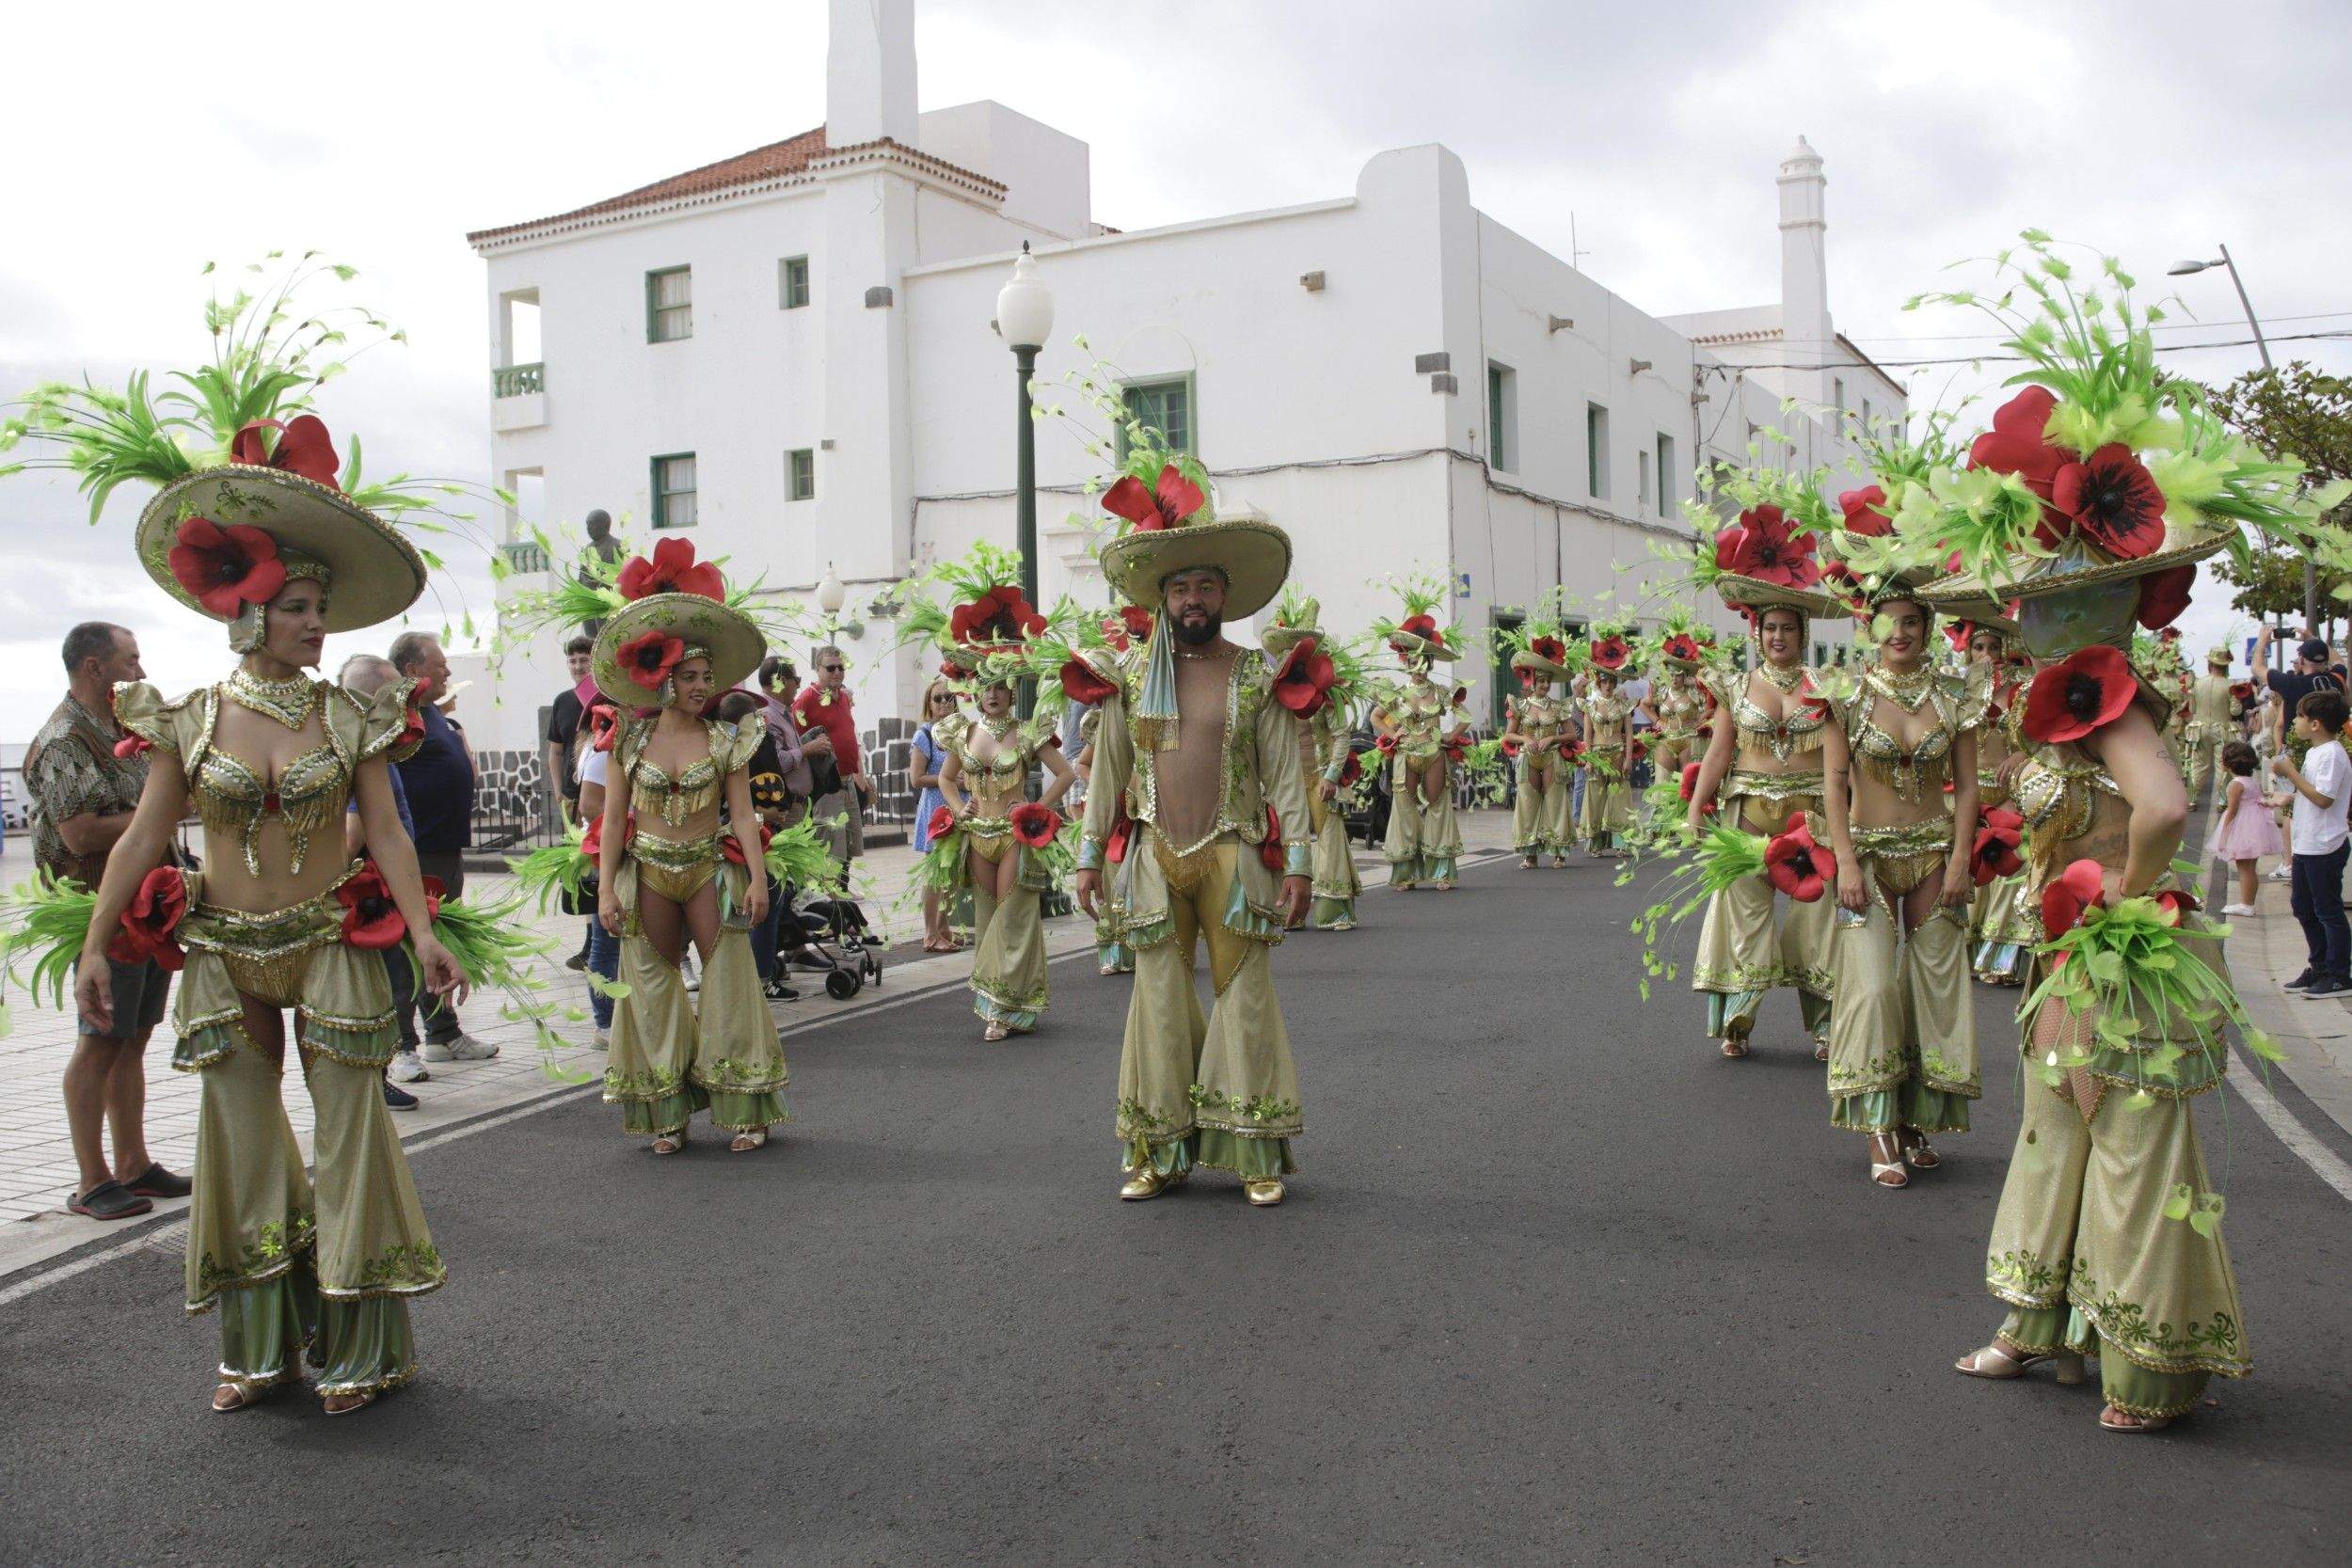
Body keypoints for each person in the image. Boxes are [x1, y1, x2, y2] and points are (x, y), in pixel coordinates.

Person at [72, 415, 464, 1414]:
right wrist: (90, 944)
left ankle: (359, 1348)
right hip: (224, 950)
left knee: (349, 1136)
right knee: (243, 1142)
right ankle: (259, 1348)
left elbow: (387, 829)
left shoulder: (350, 712)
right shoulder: (191, 718)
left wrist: (425, 932)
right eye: (298, 606)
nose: (316, 624)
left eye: (322, 608)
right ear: (247, 612)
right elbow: (138, 838)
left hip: (329, 939)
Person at [1076, 458, 1312, 1206]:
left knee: (1245, 998)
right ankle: (1160, 1152)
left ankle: (1253, 1152)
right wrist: (1088, 859)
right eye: (1179, 588)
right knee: (1157, 1001)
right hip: (1153, 855)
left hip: (1233, 854)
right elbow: (1108, 770)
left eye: (1206, 586)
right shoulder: (1129, 673)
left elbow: (1282, 774)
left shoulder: (1254, 677)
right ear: (1161, 597)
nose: (1193, 598)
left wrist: (1300, 864)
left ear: (1225, 595)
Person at [592, 551, 787, 1153]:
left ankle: (743, 1107)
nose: (702, 688)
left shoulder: (728, 739)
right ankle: (665, 1112)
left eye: (708, 678)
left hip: (706, 868)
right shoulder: (630, 737)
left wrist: (756, 880)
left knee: (729, 979)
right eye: (690, 678)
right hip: (648, 870)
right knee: (653, 985)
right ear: (664, 679)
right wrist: (604, 888)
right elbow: (612, 820)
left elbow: (744, 815)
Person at [1820, 585, 1983, 1188]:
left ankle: (1916, 1117)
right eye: (1888, 623)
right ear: (1871, 630)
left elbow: (1966, 786)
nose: (1899, 634)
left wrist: (1962, 859)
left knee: (1933, 989)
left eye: (1911, 622)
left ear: (1928, 626)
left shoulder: (1954, 697)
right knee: (1870, 989)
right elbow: (1834, 785)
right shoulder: (1849, 698)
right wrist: (1844, 860)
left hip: (1934, 854)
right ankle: (1877, 1124)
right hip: (1867, 856)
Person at [27, 623, 189, 1219]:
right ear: (95, 668)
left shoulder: (124, 730)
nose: (140, 673)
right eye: (131, 660)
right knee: (99, 1042)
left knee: (133, 1039)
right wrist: (160, 813)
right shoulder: (66, 737)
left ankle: (133, 1165)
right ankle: (92, 1180)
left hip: (146, 907)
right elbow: (78, 831)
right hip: (102, 911)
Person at [1683, 515, 1839, 1063]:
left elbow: (1840, 762)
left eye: (1788, 629)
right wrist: (1699, 805)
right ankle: (1738, 1017)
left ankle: (1823, 1025)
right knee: (1744, 916)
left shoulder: (1826, 689)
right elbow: (1720, 752)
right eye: (1769, 629)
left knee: (1815, 923)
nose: (1778, 637)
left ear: (1803, 634)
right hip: (1748, 812)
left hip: (1811, 817)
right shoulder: (1736, 684)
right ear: (1757, 633)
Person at [937, 668, 1076, 1041]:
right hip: (978, 835)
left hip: (1015, 835)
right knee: (988, 917)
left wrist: (1036, 807)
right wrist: (957, 807)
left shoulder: (1029, 732)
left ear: (1012, 693)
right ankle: (997, 1003)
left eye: (1000, 687)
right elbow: (945, 779)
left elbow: (1066, 774)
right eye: (986, 688)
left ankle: (1004, 1008)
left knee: (1012, 916)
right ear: (976, 694)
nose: (993, 694)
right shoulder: (963, 732)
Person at [386, 632, 494, 1069]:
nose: (448, 672)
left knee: (441, 944)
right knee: (410, 950)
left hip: (445, 851)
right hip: (417, 853)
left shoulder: (433, 714)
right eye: (439, 665)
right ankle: (403, 1047)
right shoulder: (397, 717)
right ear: (413, 670)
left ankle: (443, 1034)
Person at [340, 654, 426, 1107]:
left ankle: (380, 1070)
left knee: (393, 981)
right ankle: (377, 1072)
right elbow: (355, 833)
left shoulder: (376, 748)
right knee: (383, 985)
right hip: (369, 895)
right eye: (394, 693)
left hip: (387, 887)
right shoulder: (355, 749)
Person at [1371, 592, 1465, 892]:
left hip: (1435, 753)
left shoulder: (1439, 691)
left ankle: (1440, 871)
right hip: (1406, 754)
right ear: (1405, 659)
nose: (1418, 664)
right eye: (1413, 658)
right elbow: (1376, 717)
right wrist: (1392, 734)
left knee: (1437, 806)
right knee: (1406, 808)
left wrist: (1450, 736)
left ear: (1429, 661)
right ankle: (1406, 872)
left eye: (1423, 659)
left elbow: (1464, 714)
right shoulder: (1398, 693)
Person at [2272, 689, 2351, 998]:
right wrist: (2288, 796)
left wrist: (2291, 772)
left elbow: (2323, 799)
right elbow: (2312, 794)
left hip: (2324, 846)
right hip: (2307, 844)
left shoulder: (2332, 753)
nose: (2296, 722)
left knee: (2328, 911)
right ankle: (2319, 965)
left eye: (2301, 717)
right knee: (2303, 907)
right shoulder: (2317, 752)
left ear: (2316, 724)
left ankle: (2339, 973)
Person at [1498, 625, 1575, 870]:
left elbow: (1572, 733)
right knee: (1528, 802)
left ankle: (1559, 851)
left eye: (1547, 681)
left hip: (1552, 757)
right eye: (1540, 681)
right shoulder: (1520, 706)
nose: (1544, 686)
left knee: (1555, 801)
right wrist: (1526, 740)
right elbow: (1509, 734)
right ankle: (1530, 853)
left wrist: (1552, 739)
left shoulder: (1558, 706)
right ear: (1531, 681)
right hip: (1528, 758)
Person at [792, 644, 873, 875]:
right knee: (831, 844)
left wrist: (861, 775)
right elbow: (794, 739)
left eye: (841, 667)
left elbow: (848, 736)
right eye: (830, 668)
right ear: (818, 670)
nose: (837, 672)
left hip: (848, 780)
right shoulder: (807, 699)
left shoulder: (843, 698)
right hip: (827, 784)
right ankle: (831, 895)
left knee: (850, 843)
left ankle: (842, 891)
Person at [908, 675, 961, 953]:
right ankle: (930, 934)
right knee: (935, 874)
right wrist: (950, 778)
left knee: (952, 871)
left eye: (949, 697)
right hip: (936, 809)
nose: (944, 702)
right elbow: (916, 779)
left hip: (960, 806)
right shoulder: (925, 734)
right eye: (937, 698)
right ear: (929, 703)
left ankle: (944, 927)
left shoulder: (962, 731)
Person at [2211, 741, 2284, 917]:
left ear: (2227, 763)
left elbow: (2232, 811)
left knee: (2244, 867)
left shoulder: (2235, 784)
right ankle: (2247, 902)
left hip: (2243, 826)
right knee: (2250, 867)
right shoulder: (2251, 780)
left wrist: (2224, 834)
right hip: (2255, 825)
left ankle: (2247, 904)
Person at [1576, 660, 1637, 856]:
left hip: (1618, 752)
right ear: (1598, 683)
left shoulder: (1624, 706)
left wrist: (1628, 759)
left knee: (1619, 797)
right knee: (1596, 797)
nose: (1608, 685)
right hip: (1598, 755)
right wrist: (1588, 760)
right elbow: (1587, 736)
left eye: (1611, 681)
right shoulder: (1590, 706)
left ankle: (1620, 842)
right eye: (1604, 681)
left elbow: (1629, 734)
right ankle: (1595, 843)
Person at [545, 634, 593, 834]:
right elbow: (556, 752)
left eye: (583, 660)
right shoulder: (562, 702)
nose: (578, 666)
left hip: (602, 795)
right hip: (571, 797)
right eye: (572, 661)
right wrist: (558, 792)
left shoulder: (609, 699)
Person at [2179, 646, 2238, 809]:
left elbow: (2192, 710)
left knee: (2198, 765)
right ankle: (2221, 800)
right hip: (2222, 729)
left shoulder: (2197, 684)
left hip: (2200, 729)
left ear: (2210, 663)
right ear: (2226, 665)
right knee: (2223, 765)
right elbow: (2235, 710)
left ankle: (2192, 799)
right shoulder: (2230, 685)